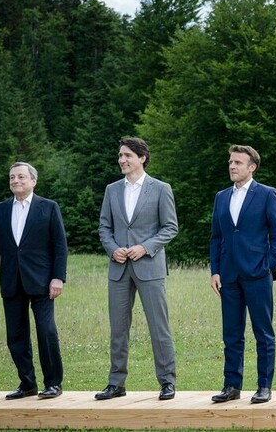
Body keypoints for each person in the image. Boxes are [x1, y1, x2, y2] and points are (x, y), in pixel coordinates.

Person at [96, 137, 179, 401]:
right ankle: (116, 383)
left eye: (127, 155)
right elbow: (104, 227)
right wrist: (113, 249)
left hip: (150, 267)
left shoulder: (161, 188)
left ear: (142, 158)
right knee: (118, 329)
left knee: (159, 327)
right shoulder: (111, 190)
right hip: (119, 269)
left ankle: (167, 382)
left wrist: (145, 247)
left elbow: (170, 227)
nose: (122, 160)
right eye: (120, 155)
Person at [209, 145, 276, 404]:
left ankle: (264, 386)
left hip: (258, 274)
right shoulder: (221, 197)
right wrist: (215, 270)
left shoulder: (267, 194)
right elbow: (216, 237)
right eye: (231, 162)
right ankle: (231, 385)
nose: (232, 166)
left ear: (252, 167)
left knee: (263, 332)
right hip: (228, 275)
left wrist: (268, 266)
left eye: (238, 163)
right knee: (231, 334)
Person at [0, 162, 68, 400]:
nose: (16, 181)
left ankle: (53, 383)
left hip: (43, 281)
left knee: (46, 331)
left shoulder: (49, 207)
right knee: (16, 335)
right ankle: (27, 383)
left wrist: (58, 277)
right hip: (11, 280)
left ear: (33, 181)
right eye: (12, 177)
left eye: (21, 176)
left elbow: (60, 246)